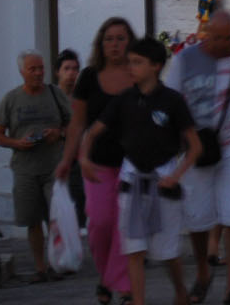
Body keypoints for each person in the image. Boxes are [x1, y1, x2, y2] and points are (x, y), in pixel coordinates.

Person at [80, 37, 200, 305]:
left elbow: (194, 146)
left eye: (137, 62)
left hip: (163, 181)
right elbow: (94, 131)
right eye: (129, 62)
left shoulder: (172, 100)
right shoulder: (124, 100)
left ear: (156, 66)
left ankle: (180, 290)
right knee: (133, 249)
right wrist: (85, 157)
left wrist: (176, 175)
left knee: (167, 251)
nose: (131, 68)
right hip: (131, 180)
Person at [165, 11, 230, 305]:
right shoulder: (185, 60)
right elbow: (172, 100)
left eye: (227, 37)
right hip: (198, 146)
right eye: (217, 37)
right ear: (205, 33)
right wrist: (183, 139)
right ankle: (202, 275)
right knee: (197, 217)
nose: (223, 43)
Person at [58, 18, 136, 305]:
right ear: (101, 44)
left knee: (125, 225)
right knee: (101, 223)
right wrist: (69, 159)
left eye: (120, 38)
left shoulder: (137, 73)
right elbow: (77, 124)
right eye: (109, 39)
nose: (114, 44)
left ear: (130, 42)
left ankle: (123, 286)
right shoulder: (89, 77)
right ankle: (106, 276)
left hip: (133, 164)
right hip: (97, 163)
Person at [0, 49, 68, 282]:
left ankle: (59, 263)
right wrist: (17, 143)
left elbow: (73, 125)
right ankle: (40, 267)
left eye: (41, 68)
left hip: (53, 165)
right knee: (32, 220)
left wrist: (58, 133)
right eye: (32, 69)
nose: (38, 73)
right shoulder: (11, 99)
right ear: (22, 72)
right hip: (24, 168)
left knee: (56, 217)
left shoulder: (55, 94)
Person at [56, 49, 87, 229]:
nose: (71, 73)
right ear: (58, 71)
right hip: (55, 160)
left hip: (78, 162)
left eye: (75, 69)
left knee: (78, 212)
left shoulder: (82, 99)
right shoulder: (51, 97)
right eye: (66, 68)